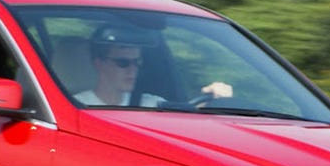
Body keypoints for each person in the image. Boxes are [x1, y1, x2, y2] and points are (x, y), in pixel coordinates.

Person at [73, 25, 232, 106]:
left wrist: (211, 98)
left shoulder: (151, 104)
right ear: (99, 64)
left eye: (137, 62)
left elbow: (185, 120)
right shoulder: (77, 105)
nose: (132, 69)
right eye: (123, 63)